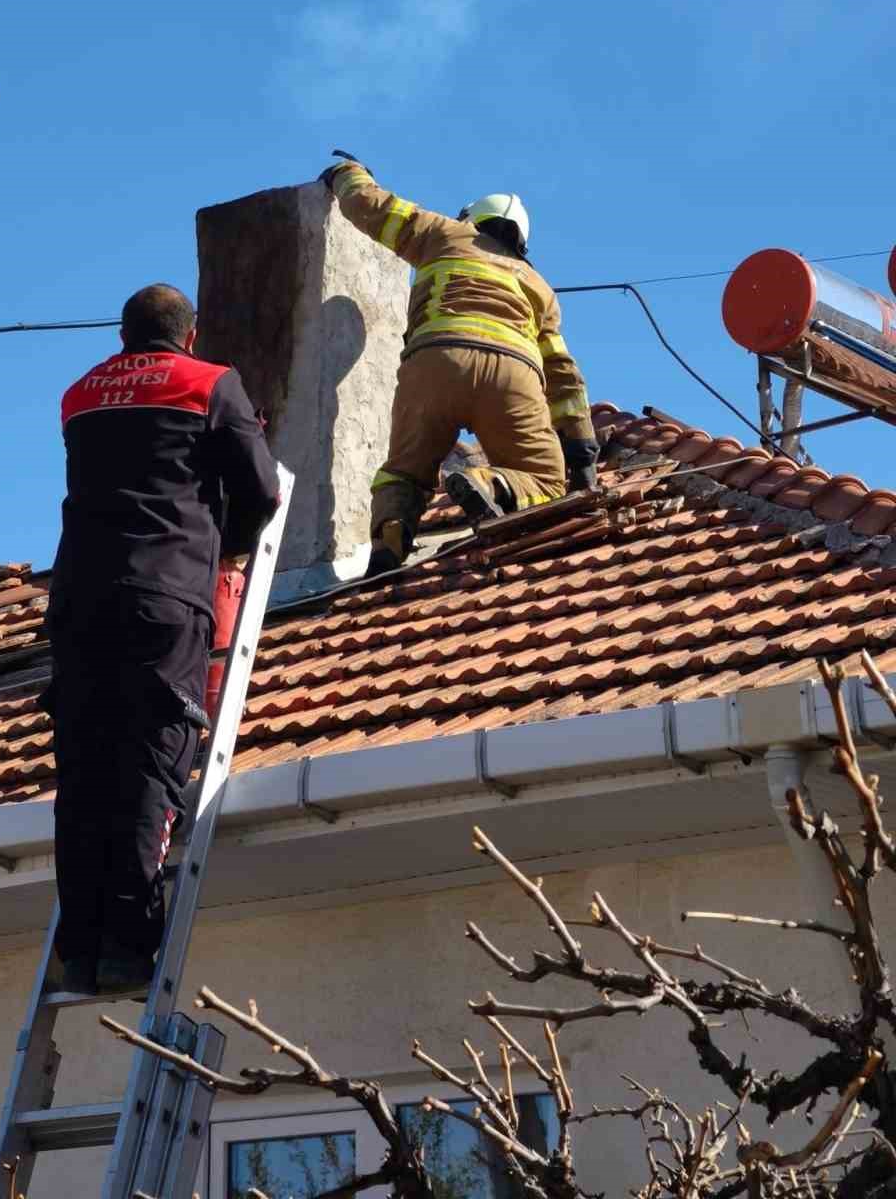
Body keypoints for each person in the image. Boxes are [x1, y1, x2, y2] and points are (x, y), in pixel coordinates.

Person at [44, 283, 279, 995]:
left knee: (83, 775)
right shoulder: (210, 384)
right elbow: (263, 491)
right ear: (191, 334)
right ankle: (127, 948)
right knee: (151, 762)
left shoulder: (80, 395)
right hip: (163, 597)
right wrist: (229, 550)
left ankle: (79, 949)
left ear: (123, 335)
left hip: (78, 604)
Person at [322, 160, 598, 574]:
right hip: (513, 377)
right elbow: (564, 376)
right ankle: (492, 484)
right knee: (546, 484)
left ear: (472, 219)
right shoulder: (540, 288)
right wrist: (583, 454)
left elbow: (373, 207)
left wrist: (347, 173)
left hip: (434, 365)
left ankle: (390, 545)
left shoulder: (443, 233)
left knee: (405, 471)